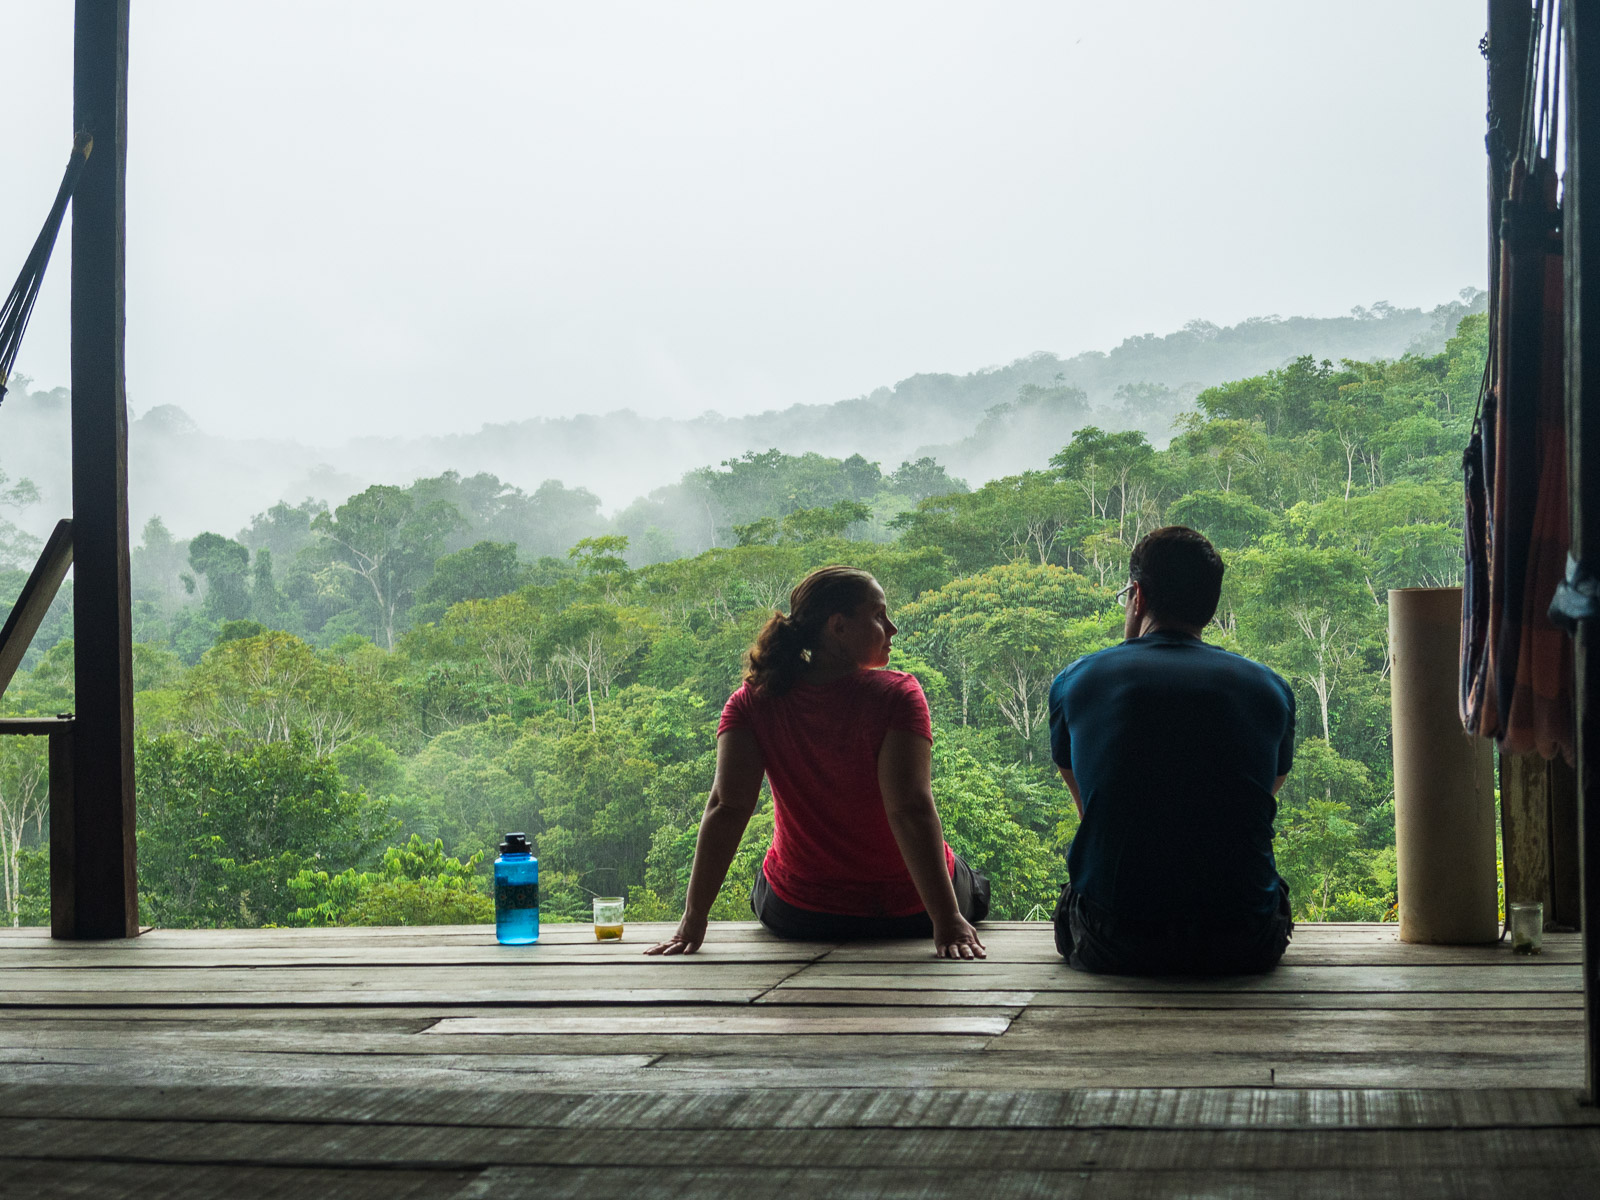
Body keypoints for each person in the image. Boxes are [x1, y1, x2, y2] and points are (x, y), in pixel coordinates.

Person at [646, 565, 990, 959]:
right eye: (878, 615)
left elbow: (727, 807)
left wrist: (693, 921)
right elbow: (909, 808)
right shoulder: (898, 694)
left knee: (767, 874)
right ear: (838, 627)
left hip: (799, 914)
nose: (892, 628)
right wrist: (946, 920)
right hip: (909, 913)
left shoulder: (751, 702)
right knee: (975, 883)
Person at [1048, 526, 1295, 975]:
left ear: (1137, 596)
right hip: (1244, 939)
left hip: (1113, 939)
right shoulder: (1270, 689)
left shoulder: (1077, 681)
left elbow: (1092, 808)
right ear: (1209, 603)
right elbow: (1255, 803)